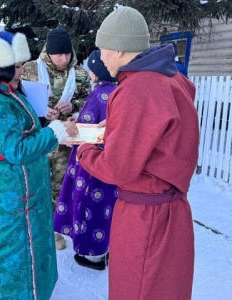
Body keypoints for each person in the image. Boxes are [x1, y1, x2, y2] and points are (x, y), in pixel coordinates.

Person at [76, 7, 199, 300]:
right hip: (174, 212)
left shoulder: (137, 88)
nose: (101, 57)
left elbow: (118, 168)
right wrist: (118, 125)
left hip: (145, 217)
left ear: (119, 49)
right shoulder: (171, 77)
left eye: (103, 50)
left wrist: (84, 149)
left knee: (135, 291)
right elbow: (163, 131)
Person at [0, 26, 78, 300]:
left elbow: (26, 128)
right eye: (15, 66)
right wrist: (55, 133)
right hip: (11, 190)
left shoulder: (7, 90)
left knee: (35, 245)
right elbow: (15, 149)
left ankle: (36, 293)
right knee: (12, 250)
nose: (20, 70)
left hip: (28, 187)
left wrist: (50, 124)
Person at [22, 27, 90, 250]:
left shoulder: (79, 74)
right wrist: (40, 112)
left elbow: (89, 102)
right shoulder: (29, 70)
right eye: (59, 54)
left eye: (67, 53)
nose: (64, 59)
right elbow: (18, 100)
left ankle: (55, 229)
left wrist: (74, 106)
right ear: (48, 52)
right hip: (38, 139)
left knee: (59, 186)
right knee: (34, 183)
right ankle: (34, 227)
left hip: (64, 144)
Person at [54, 49, 118, 270]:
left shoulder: (98, 95)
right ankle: (106, 248)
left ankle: (92, 255)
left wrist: (70, 127)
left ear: (98, 73)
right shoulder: (117, 92)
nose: (89, 73)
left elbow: (85, 130)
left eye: (91, 70)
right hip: (110, 162)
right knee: (107, 206)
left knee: (88, 204)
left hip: (90, 162)